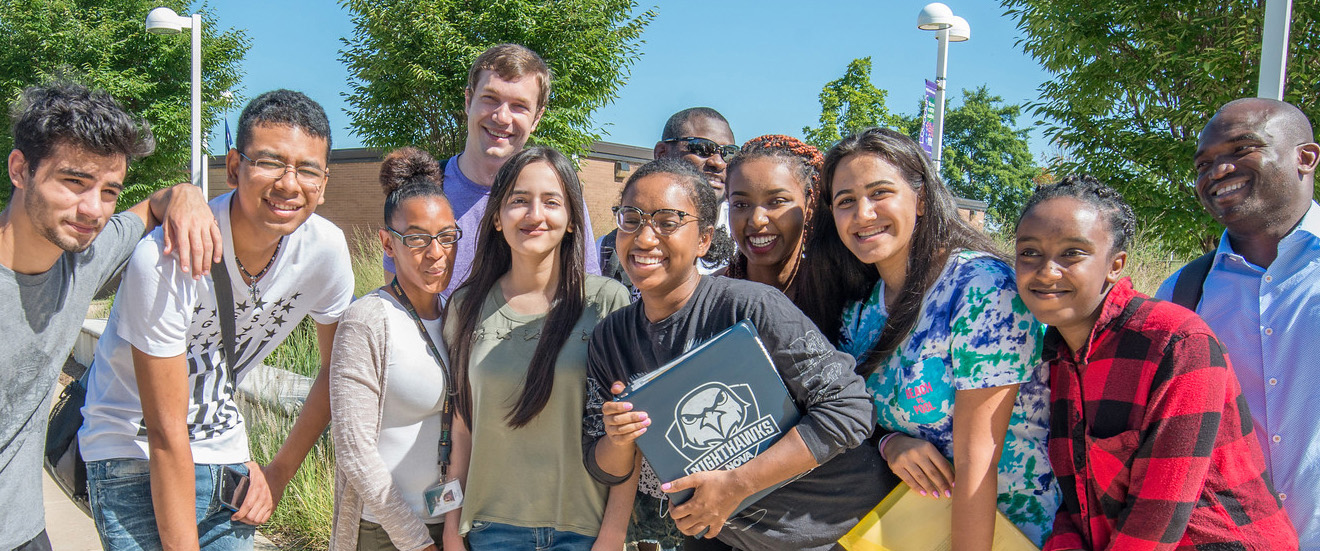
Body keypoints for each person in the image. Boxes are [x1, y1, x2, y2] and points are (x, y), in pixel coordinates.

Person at [78, 89, 354, 551]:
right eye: (269, 162)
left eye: (307, 169)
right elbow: (167, 435)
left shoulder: (324, 251)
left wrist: (278, 473)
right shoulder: (167, 256)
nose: (289, 184)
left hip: (226, 456)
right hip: (134, 456)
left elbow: (335, 369)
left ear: (324, 184)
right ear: (233, 167)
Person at [583, 158, 890, 551]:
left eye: (668, 221)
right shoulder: (611, 339)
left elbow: (849, 408)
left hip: (845, 532)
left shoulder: (752, 308)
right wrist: (618, 438)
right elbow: (602, 465)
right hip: (736, 539)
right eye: (632, 217)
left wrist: (736, 484)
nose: (644, 238)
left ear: (704, 239)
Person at [799, 127, 1058, 546]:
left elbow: (979, 464)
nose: (863, 214)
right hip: (912, 529)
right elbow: (855, 416)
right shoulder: (859, 310)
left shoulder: (981, 288)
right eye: (846, 201)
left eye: (880, 193)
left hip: (1004, 530)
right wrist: (890, 443)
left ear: (920, 198)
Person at [1017, 175, 1298, 550]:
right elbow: (1076, 498)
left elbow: (1156, 517)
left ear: (1114, 265)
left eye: (1072, 253)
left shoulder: (1178, 343)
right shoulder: (1055, 355)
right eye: (1029, 252)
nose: (1047, 270)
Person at [0, 81, 219, 551]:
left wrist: (185, 194)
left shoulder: (85, 253)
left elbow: (153, 207)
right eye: (73, 181)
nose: (92, 209)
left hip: (23, 532)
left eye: (108, 190)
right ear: (21, 169)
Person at [441, 146, 633, 551]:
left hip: (585, 529)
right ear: (496, 217)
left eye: (551, 201)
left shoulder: (606, 302)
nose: (534, 215)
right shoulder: (466, 306)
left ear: (569, 220)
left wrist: (614, 533)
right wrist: (451, 525)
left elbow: (629, 429)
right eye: (518, 201)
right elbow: (462, 427)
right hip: (491, 528)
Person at [1154, 98, 1319, 549]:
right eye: (1204, 163)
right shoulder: (1180, 295)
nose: (1217, 171)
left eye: (1241, 149)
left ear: (1305, 158)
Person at [382, 43, 599, 293]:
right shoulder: (420, 194)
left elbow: (584, 293)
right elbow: (398, 299)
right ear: (468, 101)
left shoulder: (558, 200)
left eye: (519, 106)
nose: (502, 117)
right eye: (490, 99)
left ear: (537, 118)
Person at [329, 147, 458, 551]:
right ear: (388, 242)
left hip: (450, 522)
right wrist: (415, 541)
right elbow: (353, 449)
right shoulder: (367, 320)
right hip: (385, 531)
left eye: (446, 237)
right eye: (417, 239)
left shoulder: (460, 318)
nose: (435, 253)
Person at [600, 108, 737, 294]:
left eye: (728, 153)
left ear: (704, 239)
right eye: (702, 148)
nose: (718, 162)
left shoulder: (746, 242)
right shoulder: (608, 251)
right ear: (662, 153)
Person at [722, 135, 822, 303]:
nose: (757, 220)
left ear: (809, 207)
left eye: (776, 202)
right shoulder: (711, 300)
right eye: (741, 205)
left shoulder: (842, 300)